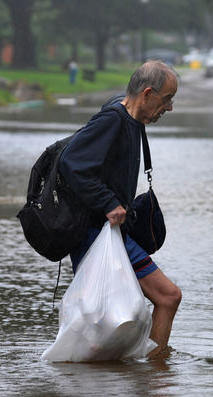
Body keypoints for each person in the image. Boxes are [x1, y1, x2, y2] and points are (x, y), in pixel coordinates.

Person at [58, 60, 182, 358]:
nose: (169, 108)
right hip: (96, 234)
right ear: (148, 93)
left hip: (108, 234)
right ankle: (154, 372)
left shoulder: (130, 117)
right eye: (167, 99)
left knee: (106, 317)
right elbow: (71, 163)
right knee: (168, 296)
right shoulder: (113, 120)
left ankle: (104, 380)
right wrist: (109, 202)